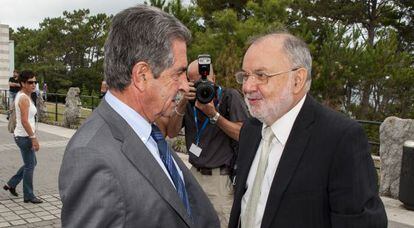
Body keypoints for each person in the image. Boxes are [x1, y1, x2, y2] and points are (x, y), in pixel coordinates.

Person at [58, 5, 219, 228]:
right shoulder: (92, 156)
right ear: (142, 76)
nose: (185, 85)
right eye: (179, 73)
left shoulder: (147, 130)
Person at [228, 32, 387, 228]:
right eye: (245, 76)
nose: (248, 86)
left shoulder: (340, 139)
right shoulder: (250, 131)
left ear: (297, 80)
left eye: (261, 75)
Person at [166, 59, 249, 227]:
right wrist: (182, 104)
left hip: (220, 180)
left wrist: (214, 115)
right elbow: (172, 132)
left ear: (214, 79)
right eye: (195, 82)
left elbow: (243, 135)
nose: (201, 86)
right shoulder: (188, 102)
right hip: (195, 175)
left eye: (204, 80)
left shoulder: (228, 97)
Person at [3, 70, 43, 204]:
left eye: (35, 82)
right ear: (22, 83)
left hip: (22, 136)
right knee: (30, 166)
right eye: (30, 82)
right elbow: (25, 121)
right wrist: (33, 138)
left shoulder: (23, 95)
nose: (33, 84)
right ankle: (29, 195)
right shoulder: (24, 98)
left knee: (30, 163)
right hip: (24, 137)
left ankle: (11, 184)